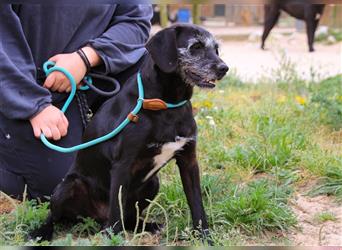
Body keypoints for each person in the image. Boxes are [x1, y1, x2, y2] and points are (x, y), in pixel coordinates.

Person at [0, 4, 153, 199]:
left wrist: (85, 58)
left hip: (89, 73)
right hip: (18, 83)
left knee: (151, 73)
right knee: (62, 187)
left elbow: (135, 20)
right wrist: (33, 105)